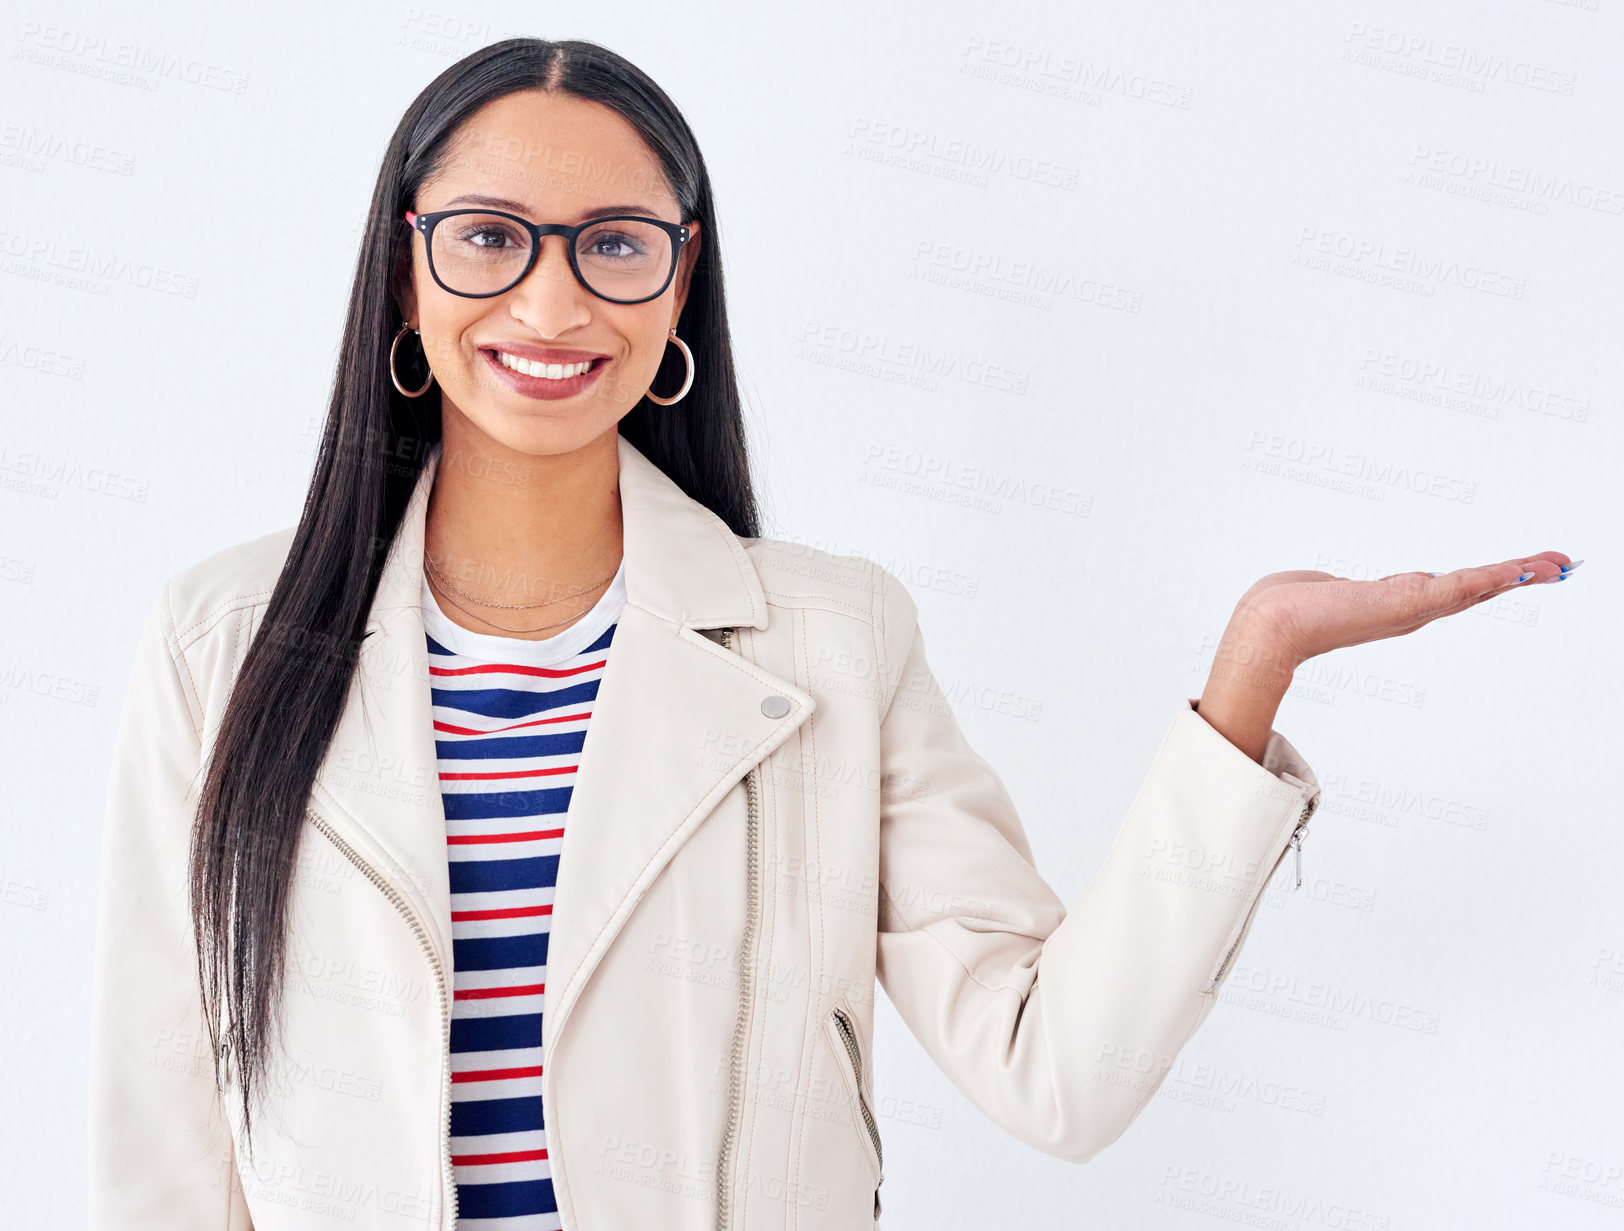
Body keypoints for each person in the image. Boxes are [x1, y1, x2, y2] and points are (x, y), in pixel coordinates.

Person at [86, 36, 1577, 1231]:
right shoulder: (227, 640)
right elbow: (167, 1136)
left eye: (615, 244)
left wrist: (1254, 668)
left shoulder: (830, 643)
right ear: (404, 269)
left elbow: (1055, 1072)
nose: (550, 297)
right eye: (489, 238)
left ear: (681, 282)